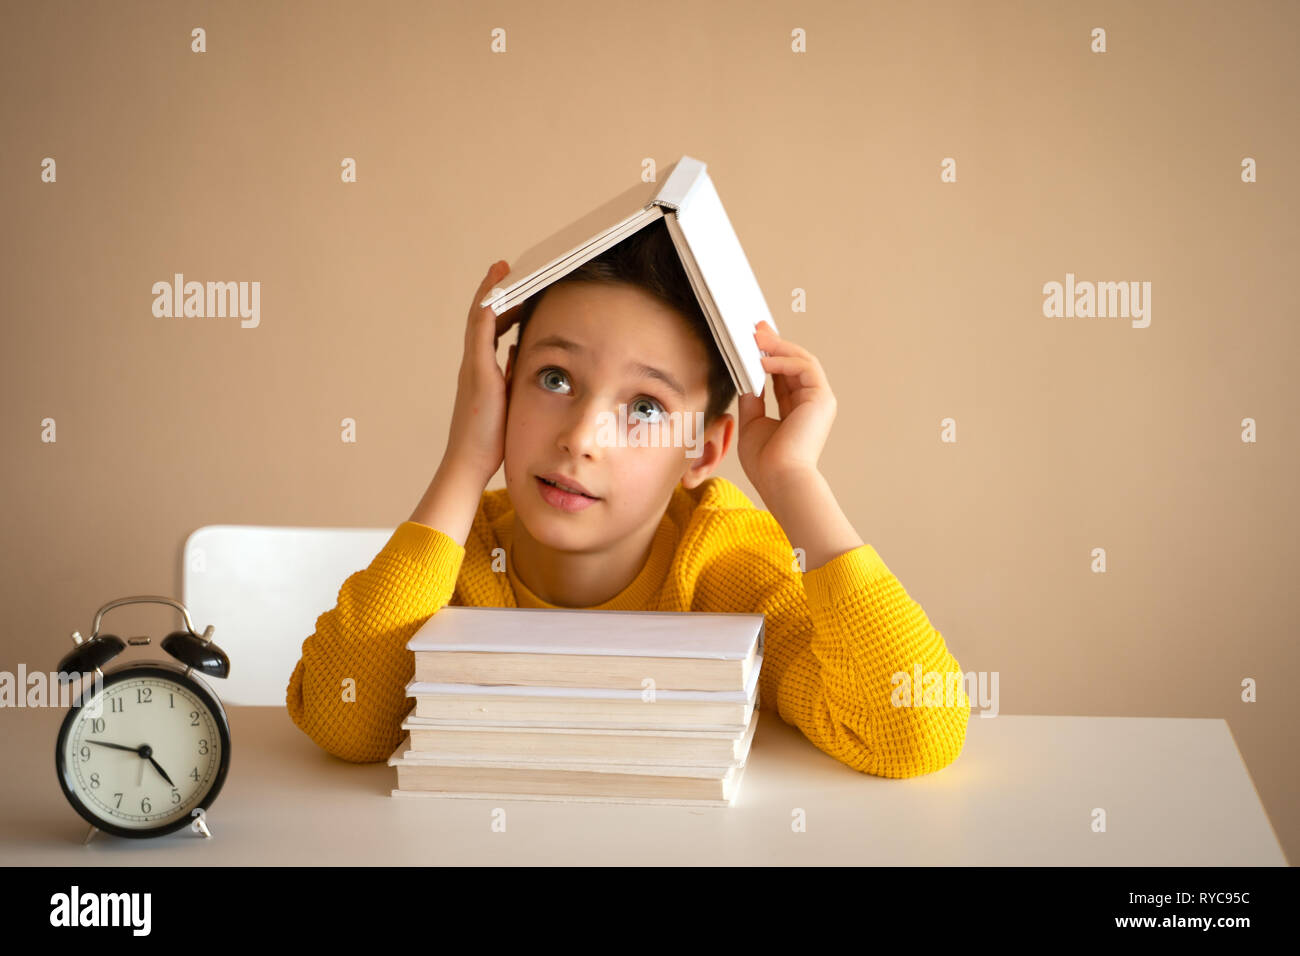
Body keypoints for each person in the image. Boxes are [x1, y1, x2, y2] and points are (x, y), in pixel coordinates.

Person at [285, 218, 970, 777]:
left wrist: (794, 482)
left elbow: (912, 733)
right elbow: (345, 726)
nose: (582, 437)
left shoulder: (723, 569)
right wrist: (465, 463)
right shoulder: (458, 559)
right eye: (554, 379)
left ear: (702, 448)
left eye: (644, 408)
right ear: (501, 387)